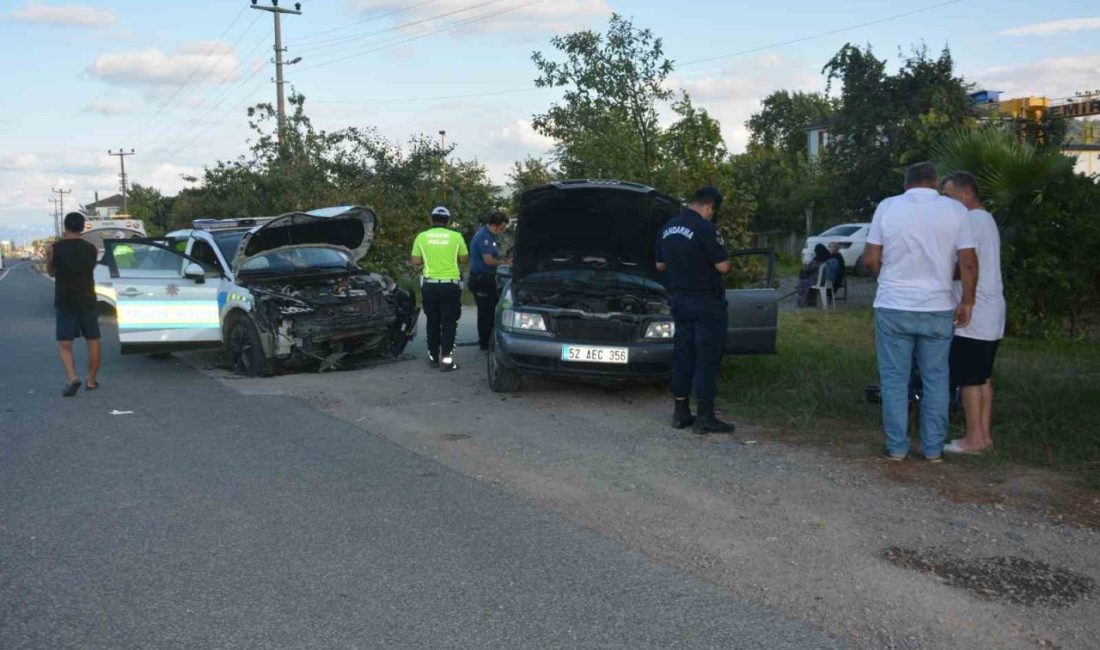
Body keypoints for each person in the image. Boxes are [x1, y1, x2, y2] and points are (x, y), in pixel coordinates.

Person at [861, 162, 978, 462]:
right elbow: (968, 261)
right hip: (937, 307)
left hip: (893, 306)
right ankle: (933, 449)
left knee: (894, 380)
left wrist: (885, 279)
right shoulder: (955, 211)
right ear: (935, 182)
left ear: (906, 184)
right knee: (936, 379)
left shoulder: (888, 207)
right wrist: (967, 301)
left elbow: (871, 258)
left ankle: (897, 448)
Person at [655, 186, 734, 435]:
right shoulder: (705, 228)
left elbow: (659, 265)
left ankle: (680, 413)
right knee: (707, 357)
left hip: (679, 301)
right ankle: (705, 417)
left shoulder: (667, 228)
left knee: (683, 355)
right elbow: (723, 267)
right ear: (709, 206)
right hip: (706, 303)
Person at [940, 172, 1004, 455]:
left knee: (968, 378)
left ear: (966, 194)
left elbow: (967, 263)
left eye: (948, 195)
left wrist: (938, 267)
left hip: (975, 311)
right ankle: (983, 436)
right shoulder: (985, 219)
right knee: (982, 376)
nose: (945, 202)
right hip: (990, 310)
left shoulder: (971, 220)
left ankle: (973, 439)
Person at [46, 211, 102, 397]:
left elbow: (51, 272)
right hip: (88, 299)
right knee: (93, 341)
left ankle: (72, 377)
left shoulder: (54, 248)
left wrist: (49, 260)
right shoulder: (92, 249)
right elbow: (90, 269)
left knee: (65, 344)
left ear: (65, 226)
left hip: (65, 300)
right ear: (83, 227)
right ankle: (91, 381)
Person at [410, 206, 469, 372]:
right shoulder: (456, 236)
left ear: (431, 219)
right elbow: (464, 259)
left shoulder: (422, 237)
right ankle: (448, 361)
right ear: (448, 221)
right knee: (449, 323)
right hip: (450, 285)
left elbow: (415, 261)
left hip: (430, 285)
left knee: (432, 322)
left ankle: (433, 358)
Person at [468, 210, 511, 351]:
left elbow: (494, 256)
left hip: (487, 279)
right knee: (485, 313)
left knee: (490, 310)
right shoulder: (484, 237)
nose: (503, 230)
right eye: (502, 227)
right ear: (494, 225)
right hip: (482, 279)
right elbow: (488, 260)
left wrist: (505, 259)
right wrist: (505, 263)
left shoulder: (489, 235)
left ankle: (489, 340)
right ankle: (485, 343)